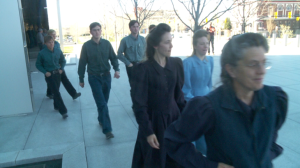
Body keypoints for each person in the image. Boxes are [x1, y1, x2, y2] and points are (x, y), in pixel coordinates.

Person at [164, 33, 288, 168]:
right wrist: (209, 165)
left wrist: (263, 155)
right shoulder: (210, 108)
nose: (262, 71)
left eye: (263, 63)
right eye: (253, 64)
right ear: (231, 70)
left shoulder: (274, 99)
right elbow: (173, 140)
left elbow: (271, 132)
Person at [131, 23, 186, 168]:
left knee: (176, 161)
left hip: (174, 120)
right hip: (154, 124)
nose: (171, 46)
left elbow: (179, 96)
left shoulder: (176, 64)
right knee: (155, 162)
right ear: (155, 45)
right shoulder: (143, 69)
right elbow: (139, 104)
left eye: (171, 41)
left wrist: (187, 119)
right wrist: (148, 132)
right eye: (167, 42)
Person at [78, 22, 120, 139]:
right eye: (94, 30)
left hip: (106, 76)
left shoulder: (106, 44)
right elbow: (82, 63)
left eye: (98, 30)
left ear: (101, 31)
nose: (97, 32)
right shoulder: (86, 46)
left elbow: (113, 58)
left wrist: (117, 70)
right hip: (94, 77)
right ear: (90, 32)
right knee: (102, 103)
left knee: (104, 102)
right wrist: (81, 78)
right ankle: (108, 130)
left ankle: (101, 119)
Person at [182, 29, 213, 155]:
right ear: (194, 45)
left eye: (207, 43)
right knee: (197, 136)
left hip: (208, 103)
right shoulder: (187, 63)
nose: (205, 46)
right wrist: (196, 104)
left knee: (209, 136)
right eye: (201, 43)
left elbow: (209, 83)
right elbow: (186, 89)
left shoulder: (210, 60)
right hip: (194, 105)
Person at [36, 36, 68, 119]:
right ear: (45, 43)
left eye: (52, 42)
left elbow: (63, 61)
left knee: (56, 91)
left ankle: (56, 105)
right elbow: (38, 64)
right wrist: (45, 72)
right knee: (56, 93)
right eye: (49, 42)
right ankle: (63, 111)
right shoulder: (42, 53)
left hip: (58, 74)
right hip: (49, 75)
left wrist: (62, 68)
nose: (51, 44)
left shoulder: (58, 51)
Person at [44, 29, 81, 100]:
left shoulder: (57, 43)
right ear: (48, 35)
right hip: (50, 67)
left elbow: (59, 54)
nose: (54, 36)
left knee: (65, 79)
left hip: (59, 66)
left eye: (55, 34)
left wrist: (61, 65)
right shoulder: (46, 45)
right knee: (51, 81)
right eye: (52, 34)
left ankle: (74, 94)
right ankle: (49, 93)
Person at [117, 20, 146, 93]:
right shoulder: (125, 40)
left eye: (137, 27)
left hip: (142, 65)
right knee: (134, 86)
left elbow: (146, 52)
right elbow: (119, 54)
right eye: (133, 27)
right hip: (131, 66)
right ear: (130, 28)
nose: (136, 28)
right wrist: (128, 63)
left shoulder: (142, 39)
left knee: (144, 86)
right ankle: (136, 102)